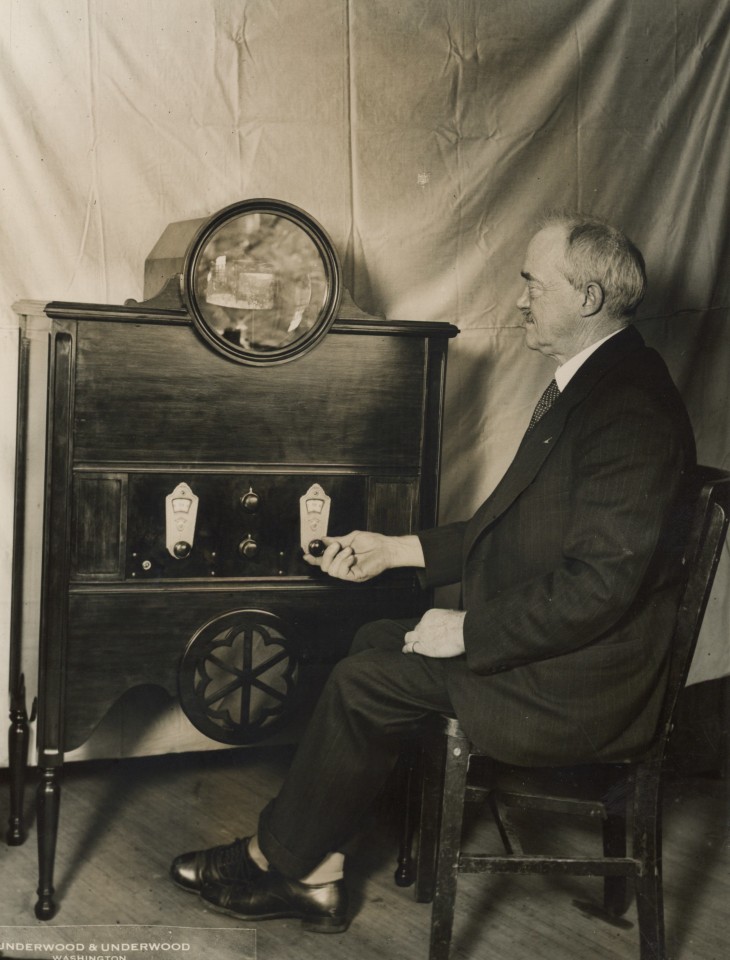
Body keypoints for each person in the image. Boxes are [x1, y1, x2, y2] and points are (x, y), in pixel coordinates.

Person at [169, 213, 697, 934]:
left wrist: (473, 630)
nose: (518, 301)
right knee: (375, 641)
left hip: (584, 686)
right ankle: (313, 863)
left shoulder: (628, 409)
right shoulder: (596, 385)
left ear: (590, 299)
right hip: (568, 656)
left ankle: (284, 864)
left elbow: (599, 586)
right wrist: (394, 549)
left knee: (365, 680)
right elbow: (509, 530)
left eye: (533, 285)